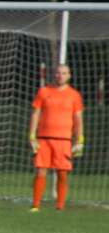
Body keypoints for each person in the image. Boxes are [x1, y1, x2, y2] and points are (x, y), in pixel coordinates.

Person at [28, 64, 84, 212]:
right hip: (44, 138)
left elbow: (78, 119)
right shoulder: (44, 91)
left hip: (64, 140)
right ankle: (35, 205)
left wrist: (80, 140)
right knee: (41, 171)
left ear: (69, 75)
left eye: (64, 73)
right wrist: (32, 136)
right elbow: (35, 114)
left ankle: (60, 206)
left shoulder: (74, 95)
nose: (61, 76)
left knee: (63, 174)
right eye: (58, 73)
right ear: (54, 75)